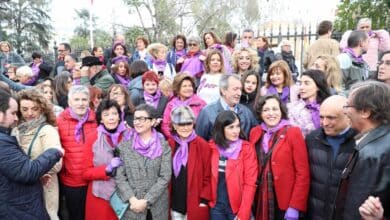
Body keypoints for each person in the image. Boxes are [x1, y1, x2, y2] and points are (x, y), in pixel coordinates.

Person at [0, 88, 63, 219]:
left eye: (34, 109)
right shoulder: (14, 129)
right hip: (20, 193)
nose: (29, 113)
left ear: (42, 108)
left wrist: (33, 168)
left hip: (46, 187)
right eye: (24, 109)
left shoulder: (47, 130)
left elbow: (57, 165)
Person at [249, 95, 310, 220]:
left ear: (281, 111)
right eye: (266, 110)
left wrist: (295, 206)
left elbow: (303, 173)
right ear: (260, 113)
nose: (271, 113)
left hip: (284, 201)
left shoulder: (293, 132)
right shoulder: (255, 132)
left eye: (275, 109)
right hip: (259, 198)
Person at [336, 81, 390, 219]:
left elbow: (356, 207)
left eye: (348, 106)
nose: (344, 111)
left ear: (365, 112)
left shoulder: (372, 154)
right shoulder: (378, 141)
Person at [115, 104, 172, 220]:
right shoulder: (125, 145)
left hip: (157, 205)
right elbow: (120, 176)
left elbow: (165, 176)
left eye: (142, 118)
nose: (137, 122)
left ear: (153, 122)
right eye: (136, 118)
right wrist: (132, 199)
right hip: (132, 206)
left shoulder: (163, 146)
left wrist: (146, 200)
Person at [305, 95, 356, 220]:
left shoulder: (359, 142)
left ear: (348, 117)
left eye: (331, 118)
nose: (325, 123)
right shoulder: (312, 139)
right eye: (321, 117)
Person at [83, 99, 132, 220]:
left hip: (127, 196)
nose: (111, 118)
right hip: (100, 198)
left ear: (119, 117)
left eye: (114, 114)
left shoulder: (130, 135)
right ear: (100, 119)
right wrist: (107, 169)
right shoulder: (92, 138)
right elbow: (85, 173)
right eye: (106, 114)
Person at [57, 85, 98, 220]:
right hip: (72, 181)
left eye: (84, 99)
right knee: (76, 215)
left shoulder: (96, 120)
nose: (80, 103)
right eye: (77, 100)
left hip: (93, 180)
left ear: (88, 101)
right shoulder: (60, 121)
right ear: (69, 102)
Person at [209, 110, 258, 220]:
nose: (236, 131)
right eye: (231, 127)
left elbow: (250, 183)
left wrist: (243, 213)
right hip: (216, 207)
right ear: (221, 129)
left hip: (237, 208)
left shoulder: (246, 148)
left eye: (237, 126)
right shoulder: (211, 147)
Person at [167, 106, 211, 220]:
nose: (185, 128)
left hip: (195, 203)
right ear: (175, 126)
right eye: (181, 124)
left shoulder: (202, 145)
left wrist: (204, 200)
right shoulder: (169, 144)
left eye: (189, 123)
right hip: (175, 203)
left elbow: (209, 176)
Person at [196, 74, 258, 141]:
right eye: (235, 89)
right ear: (223, 90)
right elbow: (200, 141)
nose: (239, 93)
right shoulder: (207, 112)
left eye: (240, 89)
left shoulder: (246, 112)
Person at [287, 70, 331, 136]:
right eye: (300, 83)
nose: (301, 87)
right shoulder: (292, 108)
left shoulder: (328, 106)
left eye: (306, 83)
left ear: (318, 86)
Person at [162, 73, 206, 138]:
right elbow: (165, 125)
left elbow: (204, 126)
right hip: (175, 140)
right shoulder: (171, 104)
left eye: (190, 86)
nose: (188, 88)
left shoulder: (200, 103)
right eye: (184, 86)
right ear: (177, 88)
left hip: (195, 140)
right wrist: (174, 139)